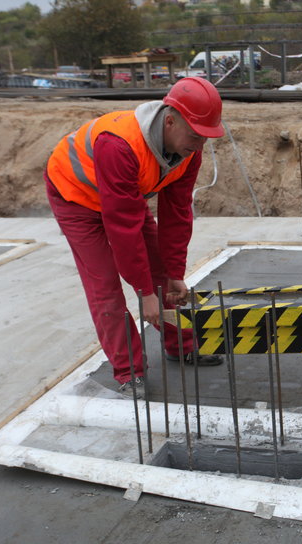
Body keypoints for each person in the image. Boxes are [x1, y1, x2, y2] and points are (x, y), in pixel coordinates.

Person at [45, 77, 225, 399]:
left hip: (122, 196)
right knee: (105, 287)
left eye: (206, 139)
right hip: (76, 197)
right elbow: (122, 228)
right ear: (170, 121)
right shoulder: (120, 145)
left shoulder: (188, 151)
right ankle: (130, 372)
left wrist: (174, 273)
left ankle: (180, 346)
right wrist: (144, 293)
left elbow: (177, 214)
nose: (200, 146)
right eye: (196, 136)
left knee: (159, 271)